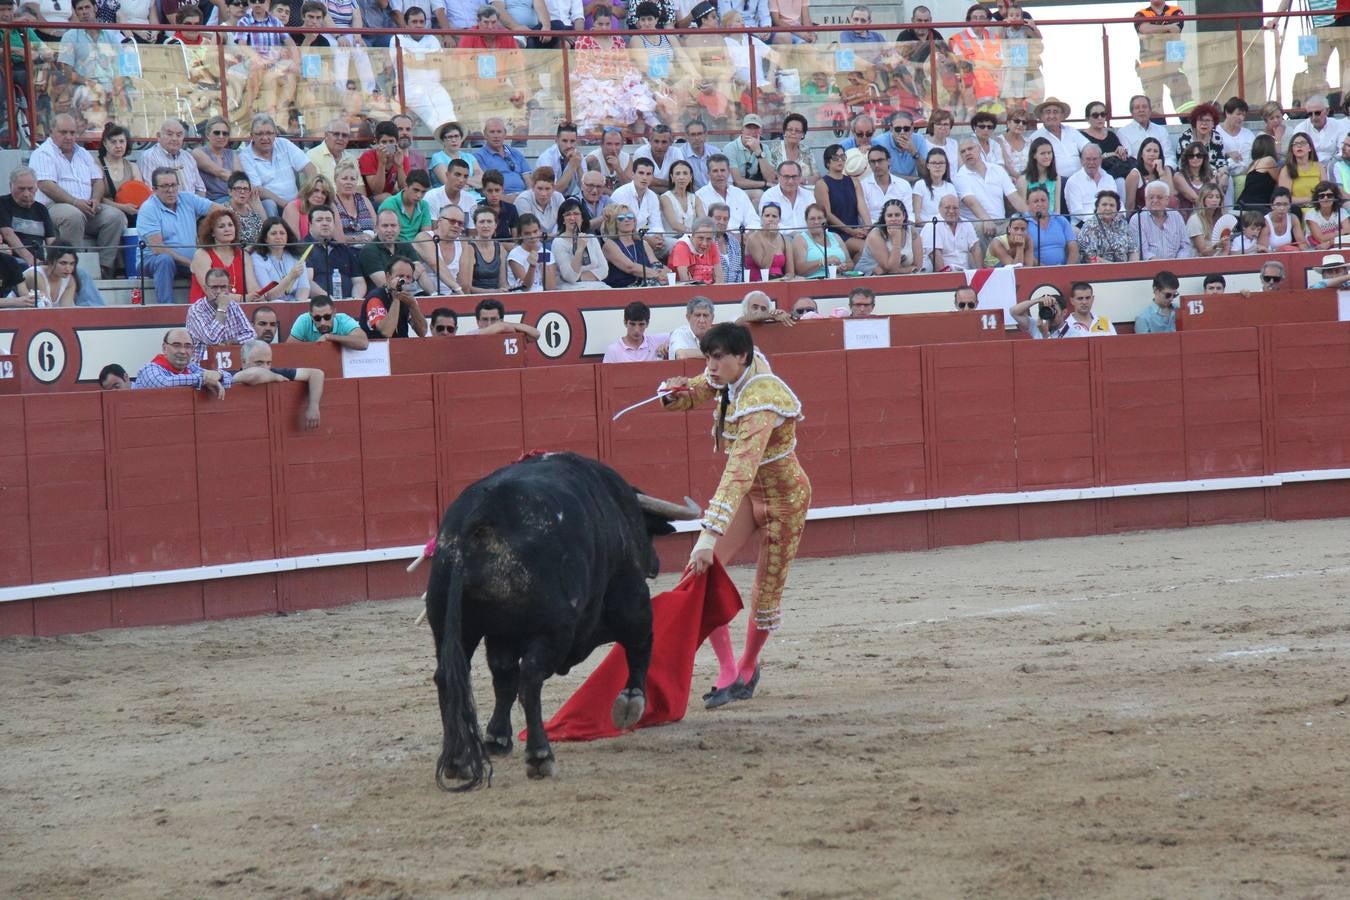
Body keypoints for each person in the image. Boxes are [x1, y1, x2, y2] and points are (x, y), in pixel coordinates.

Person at [659, 322, 810, 708]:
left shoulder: (761, 399)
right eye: (708, 356)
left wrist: (707, 536)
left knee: (765, 594)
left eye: (717, 357)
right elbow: (702, 387)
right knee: (702, 572)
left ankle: (747, 667)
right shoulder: (737, 369)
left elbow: (738, 472)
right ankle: (727, 670)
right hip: (751, 496)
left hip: (784, 500)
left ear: (741, 357)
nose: (710, 364)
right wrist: (673, 396)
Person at [32, 113, 125, 277]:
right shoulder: (43, 153)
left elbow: (98, 180)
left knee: (115, 216)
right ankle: (74, 272)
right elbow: (46, 185)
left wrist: (95, 200)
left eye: (72, 132)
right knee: (73, 216)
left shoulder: (82, 153)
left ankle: (104, 268)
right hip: (53, 207)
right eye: (63, 132)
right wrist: (75, 202)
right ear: (51, 131)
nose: (69, 137)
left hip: (87, 206)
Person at [138, 168, 219, 305]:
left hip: (187, 261)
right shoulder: (148, 209)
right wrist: (191, 263)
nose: (170, 190)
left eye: (174, 185)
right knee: (164, 260)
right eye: (164, 186)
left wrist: (209, 226)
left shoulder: (187, 198)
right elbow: (158, 249)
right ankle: (166, 307)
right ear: (154, 189)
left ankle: (212, 305)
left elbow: (219, 209)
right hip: (152, 261)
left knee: (214, 261)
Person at [390, 6, 457, 134]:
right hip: (409, 88)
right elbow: (409, 62)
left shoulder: (432, 38)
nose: (419, 25)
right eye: (414, 22)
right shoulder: (397, 39)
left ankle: (453, 147)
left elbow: (438, 63)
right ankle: (447, 146)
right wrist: (427, 59)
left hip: (435, 86)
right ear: (407, 24)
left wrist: (415, 58)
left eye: (421, 22)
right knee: (433, 117)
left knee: (449, 115)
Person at [232, 339, 326, 429]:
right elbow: (254, 375)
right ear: (243, 362)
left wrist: (313, 406)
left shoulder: (276, 372)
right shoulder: (231, 376)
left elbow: (317, 374)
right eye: (259, 363)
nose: (265, 368)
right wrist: (276, 377)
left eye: (268, 363)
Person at [240, 114, 317, 216]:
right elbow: (258, 190)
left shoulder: (284, 144)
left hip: (295, 202)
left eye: (269, 133)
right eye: (259, 134)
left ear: (275, 134)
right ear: (252, 136)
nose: (265, 138)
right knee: (269, 204)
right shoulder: (245, 156)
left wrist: (304, 195)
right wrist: (287, 205)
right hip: (272, 206)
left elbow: (310, 168)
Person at [133, 328, 232, 395]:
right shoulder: (149, 369)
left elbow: (229, 378)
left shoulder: (190, 368)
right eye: (176, 345)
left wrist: (219, 374)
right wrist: (204, 378)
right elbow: (164, 383)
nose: (183, 351)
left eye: (188, 346)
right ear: (164, 348)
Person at [955, 137, 1022, 237]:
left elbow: (1014, 197)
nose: (967, 153)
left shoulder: (997, 169)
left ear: (979, 149)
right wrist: (987, 220)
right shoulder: (960, 177)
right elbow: (972, 203)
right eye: (963, 151)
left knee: (1021, 225)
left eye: (970, 149)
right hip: (978, 223)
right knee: (980, 226)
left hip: (1001, 222)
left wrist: (1030, 216)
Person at [1133, 0, 1191, 114]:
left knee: (1181, 90)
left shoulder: (1176, 11)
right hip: (1150, 61)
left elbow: (1176, 29)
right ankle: (1157, 124)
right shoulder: (1141, 13)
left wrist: (1153, 31)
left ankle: (1187, 119)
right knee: (1154, 98)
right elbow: (1144, 29)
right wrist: (1167, 27)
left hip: (1173, 58)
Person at [185, 266, 257, 357]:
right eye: (214, 287)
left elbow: (252, 335)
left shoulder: (234, 306)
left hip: (233, 363)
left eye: (223, 287)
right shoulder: (196, 310)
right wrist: (222, 308)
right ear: (206, 289)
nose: (219, 291)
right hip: (204, 366)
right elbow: (212, 340)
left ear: (229, 289)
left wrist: (231, 342)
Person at [305, 205, 365, 301]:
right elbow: (306, 282)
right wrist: (329, 299)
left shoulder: (344, 249)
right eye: (319, 220)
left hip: (347, 302)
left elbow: (359, 281)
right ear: (310, 225)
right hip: (319, 306)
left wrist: (355, 299)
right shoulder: (302, 248)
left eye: (328, 220)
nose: (325, 223)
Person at [360, 255, 427, 339]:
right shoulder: (376, 298)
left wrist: (413, 306)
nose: (404, 281)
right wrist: (396, 299)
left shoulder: (407, 299)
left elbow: (422, 332)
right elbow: (386, 332)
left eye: (408, 277)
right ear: (388, 277)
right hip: (378, 349)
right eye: (400, 276)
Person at [139, 118, 208, 199]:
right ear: (158, 136)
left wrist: (195, 207)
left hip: (192, 208)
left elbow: (200, 189)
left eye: (179, 135)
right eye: (170, 134)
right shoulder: (149, 157)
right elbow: (151, 192)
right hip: (163, 208)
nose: (175, 139)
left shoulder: (188, 157)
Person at [601, 204, 665, 288]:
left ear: (634, 221)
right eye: (621, 218)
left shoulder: (642, 242)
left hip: (645, 285)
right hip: (621, 289)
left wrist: (666, 272)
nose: (626, 219)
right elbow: (630, 267)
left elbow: (655, 263)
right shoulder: (609, 244)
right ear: (615, 223)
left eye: (630, 216)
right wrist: (656, 274)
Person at [99, 123, 149, 230]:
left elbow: (140, 195)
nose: (118, 146)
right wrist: (122, 207)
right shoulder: (97, 165)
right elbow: (97, 198)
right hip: (106, 211)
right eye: (113, 142)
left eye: (122, 141)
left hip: (131, 212)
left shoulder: (133, 167)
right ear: (104, 144)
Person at [250, 217, 311, 302]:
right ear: (265, 238)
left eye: (282, 233)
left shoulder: (295, 255)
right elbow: (268, 295)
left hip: (294, 301)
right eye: (273, 233)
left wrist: (298, 303)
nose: (278, 237)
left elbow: (304, 287)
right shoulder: (257, 258)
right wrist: (290, 277)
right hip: (272, 303)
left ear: (287, 236)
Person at [552, 198, 608, 287]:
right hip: (570, 288)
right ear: (562, 220)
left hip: (596, 285)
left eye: (576, 214)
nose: (572, 218)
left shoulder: (591, 238)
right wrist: (580, 249)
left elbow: (604, 270)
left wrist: (579, 277)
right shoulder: (558, 242)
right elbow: (570, 277)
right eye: (568, 214)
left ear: (582, 218)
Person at [1030, 97, 1088, 178]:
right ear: (1042, 116)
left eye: (1055, 112)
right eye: (1048, 112)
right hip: (1054, 181)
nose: (1051, 115)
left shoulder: (1071, 131)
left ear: (1061, 115)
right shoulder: (1035, 137)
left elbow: (1088, 147)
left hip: (1080, 178)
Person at [857, 199, 920, 275]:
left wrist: (900, 271)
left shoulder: (912, 232)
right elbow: (891, 269)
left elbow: (918, 267)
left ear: (904, 216)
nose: (893, 219)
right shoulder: (876, 234)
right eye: (889, 216)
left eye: (897, 215)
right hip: (869, 275)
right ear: (884, 218)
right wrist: (896, 240)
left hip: (899, 276)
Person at [1136, 180, 1194, 260]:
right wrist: (1162, 265)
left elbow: (1185, 245)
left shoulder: (1176, 216)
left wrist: (1178, 262)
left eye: (1159, 197)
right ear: (1146, 199)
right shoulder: (1137, 218)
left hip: (1177, 267)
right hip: (1149, 268)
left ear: (1167, 200)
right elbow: (1142, 251)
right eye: (1151, 197)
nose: (1155, 200)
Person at [1021, 186, 1076, 266]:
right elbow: (1023, 252)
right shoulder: (1023, 222)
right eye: (1035, 201)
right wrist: (1046, 271)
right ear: (1028, 203)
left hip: (1063, 271)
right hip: (1036, 271)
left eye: (1043, 200)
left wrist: (1068, 269)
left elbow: (1073, 248)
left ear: (1049, 202)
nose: (1040, 204)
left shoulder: (1060, 219)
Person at [288, 295, 371, 348]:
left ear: (334, 313)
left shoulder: (343, 319)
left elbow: (363, 343)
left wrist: (329, 337)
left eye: (327, 317)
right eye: (317, 318)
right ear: (311, 316)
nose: (322, 322)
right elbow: (289, 349)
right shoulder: (304, 320)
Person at [791, 203, 848, 278]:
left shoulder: (835, 236)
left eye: (820, 218)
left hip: (840, 279)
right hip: (814, 282)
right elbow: (800, 270)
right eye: (812, 219)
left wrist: (843, 267)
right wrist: (823, 261)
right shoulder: (800, 239)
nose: (816, 222)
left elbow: (850, 263)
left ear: (825, 220)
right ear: (806, 221)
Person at [660, 159, 705, 253]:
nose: (681, 177)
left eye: (685, 173)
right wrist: (695, 234)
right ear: (672, 177)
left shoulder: (695, 198)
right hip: (671, 238)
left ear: (690, 177)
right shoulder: (665, 198)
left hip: (692, 237)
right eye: (677, 173)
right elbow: (674, 225)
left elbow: (703, 221)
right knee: (683, 246)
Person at [602, 300, 669, 362]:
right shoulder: (613, 350)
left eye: (641, 324)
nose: (637, 330)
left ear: (647, 324)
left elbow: (678, 333)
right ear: (625, 323)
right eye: (632, 324)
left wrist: (668, 346)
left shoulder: (656, 341)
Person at [377, 169, 432, 243]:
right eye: (416, 190)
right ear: (406, 186)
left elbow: (426, 235)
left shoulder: (424, 205)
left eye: (423, 192)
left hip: (418, 248)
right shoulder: (389, 204)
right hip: (395, 247)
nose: (419, 195)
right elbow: (386, 236)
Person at [743, 202, 794, 280]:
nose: (770, 219)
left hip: (780, 281)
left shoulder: (785, 240)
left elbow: (790, 272)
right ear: (761, 218)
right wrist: (771, 240)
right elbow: (765, 267)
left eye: (774, 216)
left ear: (779, 219)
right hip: (759, 281)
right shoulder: (753, 238)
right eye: (767, 216)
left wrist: (786, 278)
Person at [508, 213, 557, 291]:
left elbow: (551, 288)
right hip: (522, 298)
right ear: (520, 235)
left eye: (535, 231)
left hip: (544, 297)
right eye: (527, 233)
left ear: (540, 231)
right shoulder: (514, 254)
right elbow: (525, 288)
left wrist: (542, 261)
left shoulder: (548, 253)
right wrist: (532, 266)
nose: (532, 236)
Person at [764, 112, 816, 186]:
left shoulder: (806, 150)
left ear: (803, 134)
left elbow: (816, 176)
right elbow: (771, 178)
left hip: (803, 190)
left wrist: (805, 180)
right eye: (790, 130)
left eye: (797, 131)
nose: (793, 133)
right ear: (785, 132)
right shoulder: (775, 150)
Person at [1125, 137, 1174, 214]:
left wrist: (1161, 172)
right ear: (1142, 154)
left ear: (1159, 155)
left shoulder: (1166, 170)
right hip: (1142, 217)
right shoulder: (1134, 175)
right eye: (1148, 151)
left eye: (1155, 151)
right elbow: (1130, 206)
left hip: (1163, 214)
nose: (1152, 154)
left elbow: (1171, 197)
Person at [1186, 183, 1238, 257]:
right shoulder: (1195, 220)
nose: (1215, 200)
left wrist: (1226, 248)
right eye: (1210, 197)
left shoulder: (1220, 218)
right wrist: (1218, 244)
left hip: (1218, 260)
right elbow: (1203, 252)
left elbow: (1224, 251)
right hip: (1199, 262)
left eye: (1217, 197)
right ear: (1203, 200)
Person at [281, 173, 336, 242]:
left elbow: (338, 239)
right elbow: (295, 242)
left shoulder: (329, 208)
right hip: (303, 250)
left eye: (324, 193)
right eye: (316, 190)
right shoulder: (293, 207)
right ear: (308, 190)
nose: (319, 196)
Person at [430, 122, 483, 191]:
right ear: (443, 140)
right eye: (449, 137)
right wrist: (473, 183)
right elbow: (449, 184)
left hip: (476, 198)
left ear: (461, 138)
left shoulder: (469, 157)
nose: (454, 140)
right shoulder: (437, 157)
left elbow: (482, 181)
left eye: (456, 136)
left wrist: (458, 180)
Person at [1277, 132, 1324, 207]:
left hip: (1318, 208)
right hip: (1297, 210)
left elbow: (1326, 192)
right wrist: (1310, 199)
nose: (1299, 146)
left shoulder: (1319, 166)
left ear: (1310, 148)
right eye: (1295, 144)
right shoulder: (1286, 169)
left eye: (1303, 143)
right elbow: (1284, 198)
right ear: (1292, 149)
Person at [1018, 137, 1062, 216]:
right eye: (1043, 153)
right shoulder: (1024, 179)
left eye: (1049, 153)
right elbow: (1023, 211)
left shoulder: (1056, 178)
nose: (1047, 157)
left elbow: (1057, 209)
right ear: (1034, 155)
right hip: (1032, 221)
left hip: (1051, 220)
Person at [1235, 134, 1279, 213]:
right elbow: (1280, 181)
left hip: (1242, 204)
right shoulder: (1269, 160)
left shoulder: (1252, 164)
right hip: (1257, 206)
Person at [1260, 187, 1308, 251]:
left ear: (1290, 206)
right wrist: (1281, 250)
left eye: (1285, 204)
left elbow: (1302, 244)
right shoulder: (1266, 222)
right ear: (1271, 206)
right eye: (1278, 204)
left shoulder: (1293, 219)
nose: (1282, 208)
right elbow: (1263, 250)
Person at [1304, 181, 1349, 248]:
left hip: (1337, 246)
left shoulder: (1342, 212)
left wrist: (1330, 242)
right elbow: (1320, 239)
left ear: (1335, 197)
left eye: (1329, 195)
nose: (1326, 198)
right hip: (1316, 249)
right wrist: (1340, 232)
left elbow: (1348, 231)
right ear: (1317, 198)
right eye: (1322, 196)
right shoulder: (1311, 215)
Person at [1134, 269, 1179, 334]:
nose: (1171, 299)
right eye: (1168, 295)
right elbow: (1143, 343)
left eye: (1175, 295)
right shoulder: (1143, 318)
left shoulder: (1180, 310)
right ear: (1156, 290)